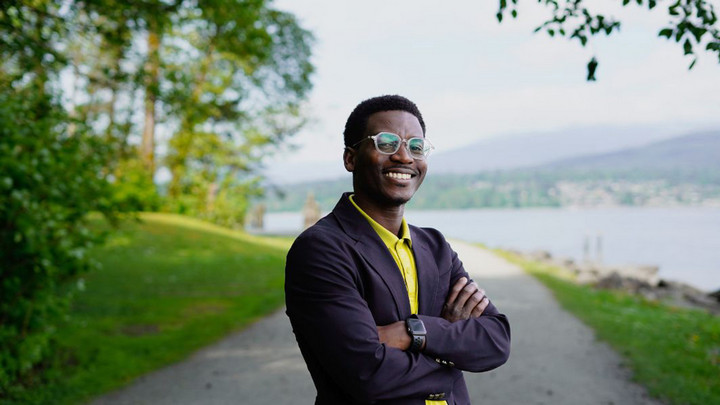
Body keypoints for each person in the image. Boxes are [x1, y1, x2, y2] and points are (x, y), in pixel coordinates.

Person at [285, 95, 511, 405]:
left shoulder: (435, 247)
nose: (404, 157)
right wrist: (452, 360)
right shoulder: (321, 249)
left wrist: (413, 332)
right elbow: (369, 373)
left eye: (416, 146)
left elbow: (496, 340)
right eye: (386, 143)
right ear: (351, 158)